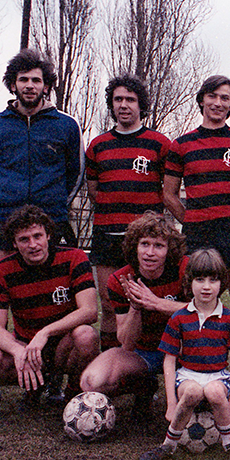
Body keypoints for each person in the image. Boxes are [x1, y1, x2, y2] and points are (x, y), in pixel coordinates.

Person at [0, 49, 84, 405]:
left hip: (54, 218)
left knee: (60, 300)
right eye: (23, 79)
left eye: (36, 79)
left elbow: (74, 174)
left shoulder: (66, 125)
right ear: (13, 84)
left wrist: (52, 207)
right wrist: (9, 199)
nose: (30, 85)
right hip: (7, 218)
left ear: (46, 84)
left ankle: (54, 380)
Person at [0, 205, 98, 407]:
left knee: (86, 335)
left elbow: (90, 311)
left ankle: (73, 393)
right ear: (14, 243)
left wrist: (45, 332)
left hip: (63, 343)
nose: (33, 244)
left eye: (37, 236)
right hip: (27, 345)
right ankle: (37, 382)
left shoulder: (74, 257)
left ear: (48, 235)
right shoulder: (1, 270)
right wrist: (17, 350)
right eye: (24, 239)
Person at [138, 249, 230, 460]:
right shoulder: (179, 318)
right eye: (200, 279)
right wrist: (171, 402)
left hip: (217, 375)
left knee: (214, 392)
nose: (206, 286)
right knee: (192, 392)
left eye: (213, 280)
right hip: (188, 375)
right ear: (189, 282)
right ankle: (167, 446)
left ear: (222, 283)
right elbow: (169, 359)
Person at [85, 75, 171, 351]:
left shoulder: (159, 144)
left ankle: (145, 370)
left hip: (145, 241)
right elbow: (94, 190)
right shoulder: (97, 146)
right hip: (107, 235)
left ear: (140, 105)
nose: (124, 105)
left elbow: (168, 190)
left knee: (148, 305)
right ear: (111, 104)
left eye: (130, 100)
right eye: (118, 99)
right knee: (110, 306)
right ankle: (111, 362)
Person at [163, 75, 230, 313]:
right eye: (212, 96)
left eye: (224, 98)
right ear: (202, 100)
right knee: (194, 305)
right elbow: (169, 194)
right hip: (197, 234)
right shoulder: (181, 145)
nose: (218, 103)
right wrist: (190, 219)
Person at [80, 212, 188, 415]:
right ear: (134, 247)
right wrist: (136, 307)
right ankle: (144, 386)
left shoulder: (185, 269)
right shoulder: (120, 279)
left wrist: (156, 303)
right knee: (92, 382)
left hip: (183, 351)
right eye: (144, 244)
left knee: (194, 398)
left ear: (169, 250)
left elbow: (206, 314)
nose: (150, 252)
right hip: (143, 352)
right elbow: (127, 343)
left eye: (158, 246)